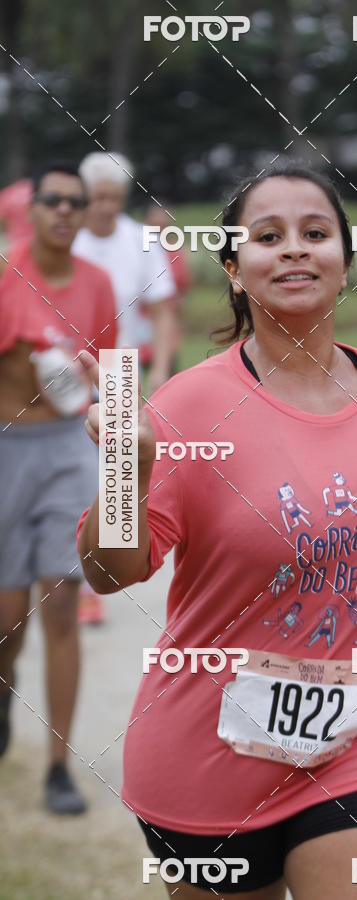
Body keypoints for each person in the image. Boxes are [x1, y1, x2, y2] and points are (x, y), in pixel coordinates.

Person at [78, 162, 357, 898]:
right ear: (234, 272)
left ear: (344, 261)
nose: (295, 247)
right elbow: (111, 574)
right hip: (209, 747)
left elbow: (355, 496)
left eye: (315, 232)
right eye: (268, 237)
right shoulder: (189, 405)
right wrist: (125, 474)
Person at [0, 161, 117, 813]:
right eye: (54, 200)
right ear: (33, 209)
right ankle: (4, 689)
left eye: (77, 201)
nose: (66, 211)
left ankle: (58, 768)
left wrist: (122, 466)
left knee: (63, 607)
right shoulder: (6, 273)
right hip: (8, 450)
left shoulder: (97, 284)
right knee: (7, 618)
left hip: (70, 448)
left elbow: (112, 375)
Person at [73, 152, 176, 624]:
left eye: (115, 198)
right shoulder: (69, 239)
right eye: (98, 198)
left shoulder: (140, 241)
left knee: (115, 471)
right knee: (73, 470)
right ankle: (72, 579)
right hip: (65, 371)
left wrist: (162, 369)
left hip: (118, 370)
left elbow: (164, 310)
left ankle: (105, 570)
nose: (107, 207)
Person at [144, 200, 193, 376]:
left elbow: (183, 286)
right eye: (155, 227)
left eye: (163, 227)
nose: (159, 231)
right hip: (136, 324)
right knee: (125, 384)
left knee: (166, 376)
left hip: (166, 324)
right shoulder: (135, 249)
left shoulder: (176, 251)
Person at [0, 177, 34, 248]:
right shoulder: (36, 191)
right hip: (34, 241)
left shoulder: (8, 192)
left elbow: (2, 221)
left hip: (14, 241)